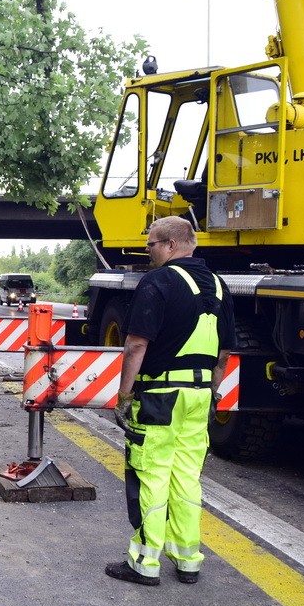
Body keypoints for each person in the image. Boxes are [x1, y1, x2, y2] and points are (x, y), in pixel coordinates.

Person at [105, 216, 235, 586]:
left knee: (152, 474)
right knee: (187, 478)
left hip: (161, 398)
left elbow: (136, 344)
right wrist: (211, 392)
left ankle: (144, 563)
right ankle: (188, 559)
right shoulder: (219, 287)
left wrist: (125, 395)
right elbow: (224, 352)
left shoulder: (158, 282)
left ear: (171, 245)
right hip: (198, 396)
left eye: (150, 245)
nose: (147, 252)